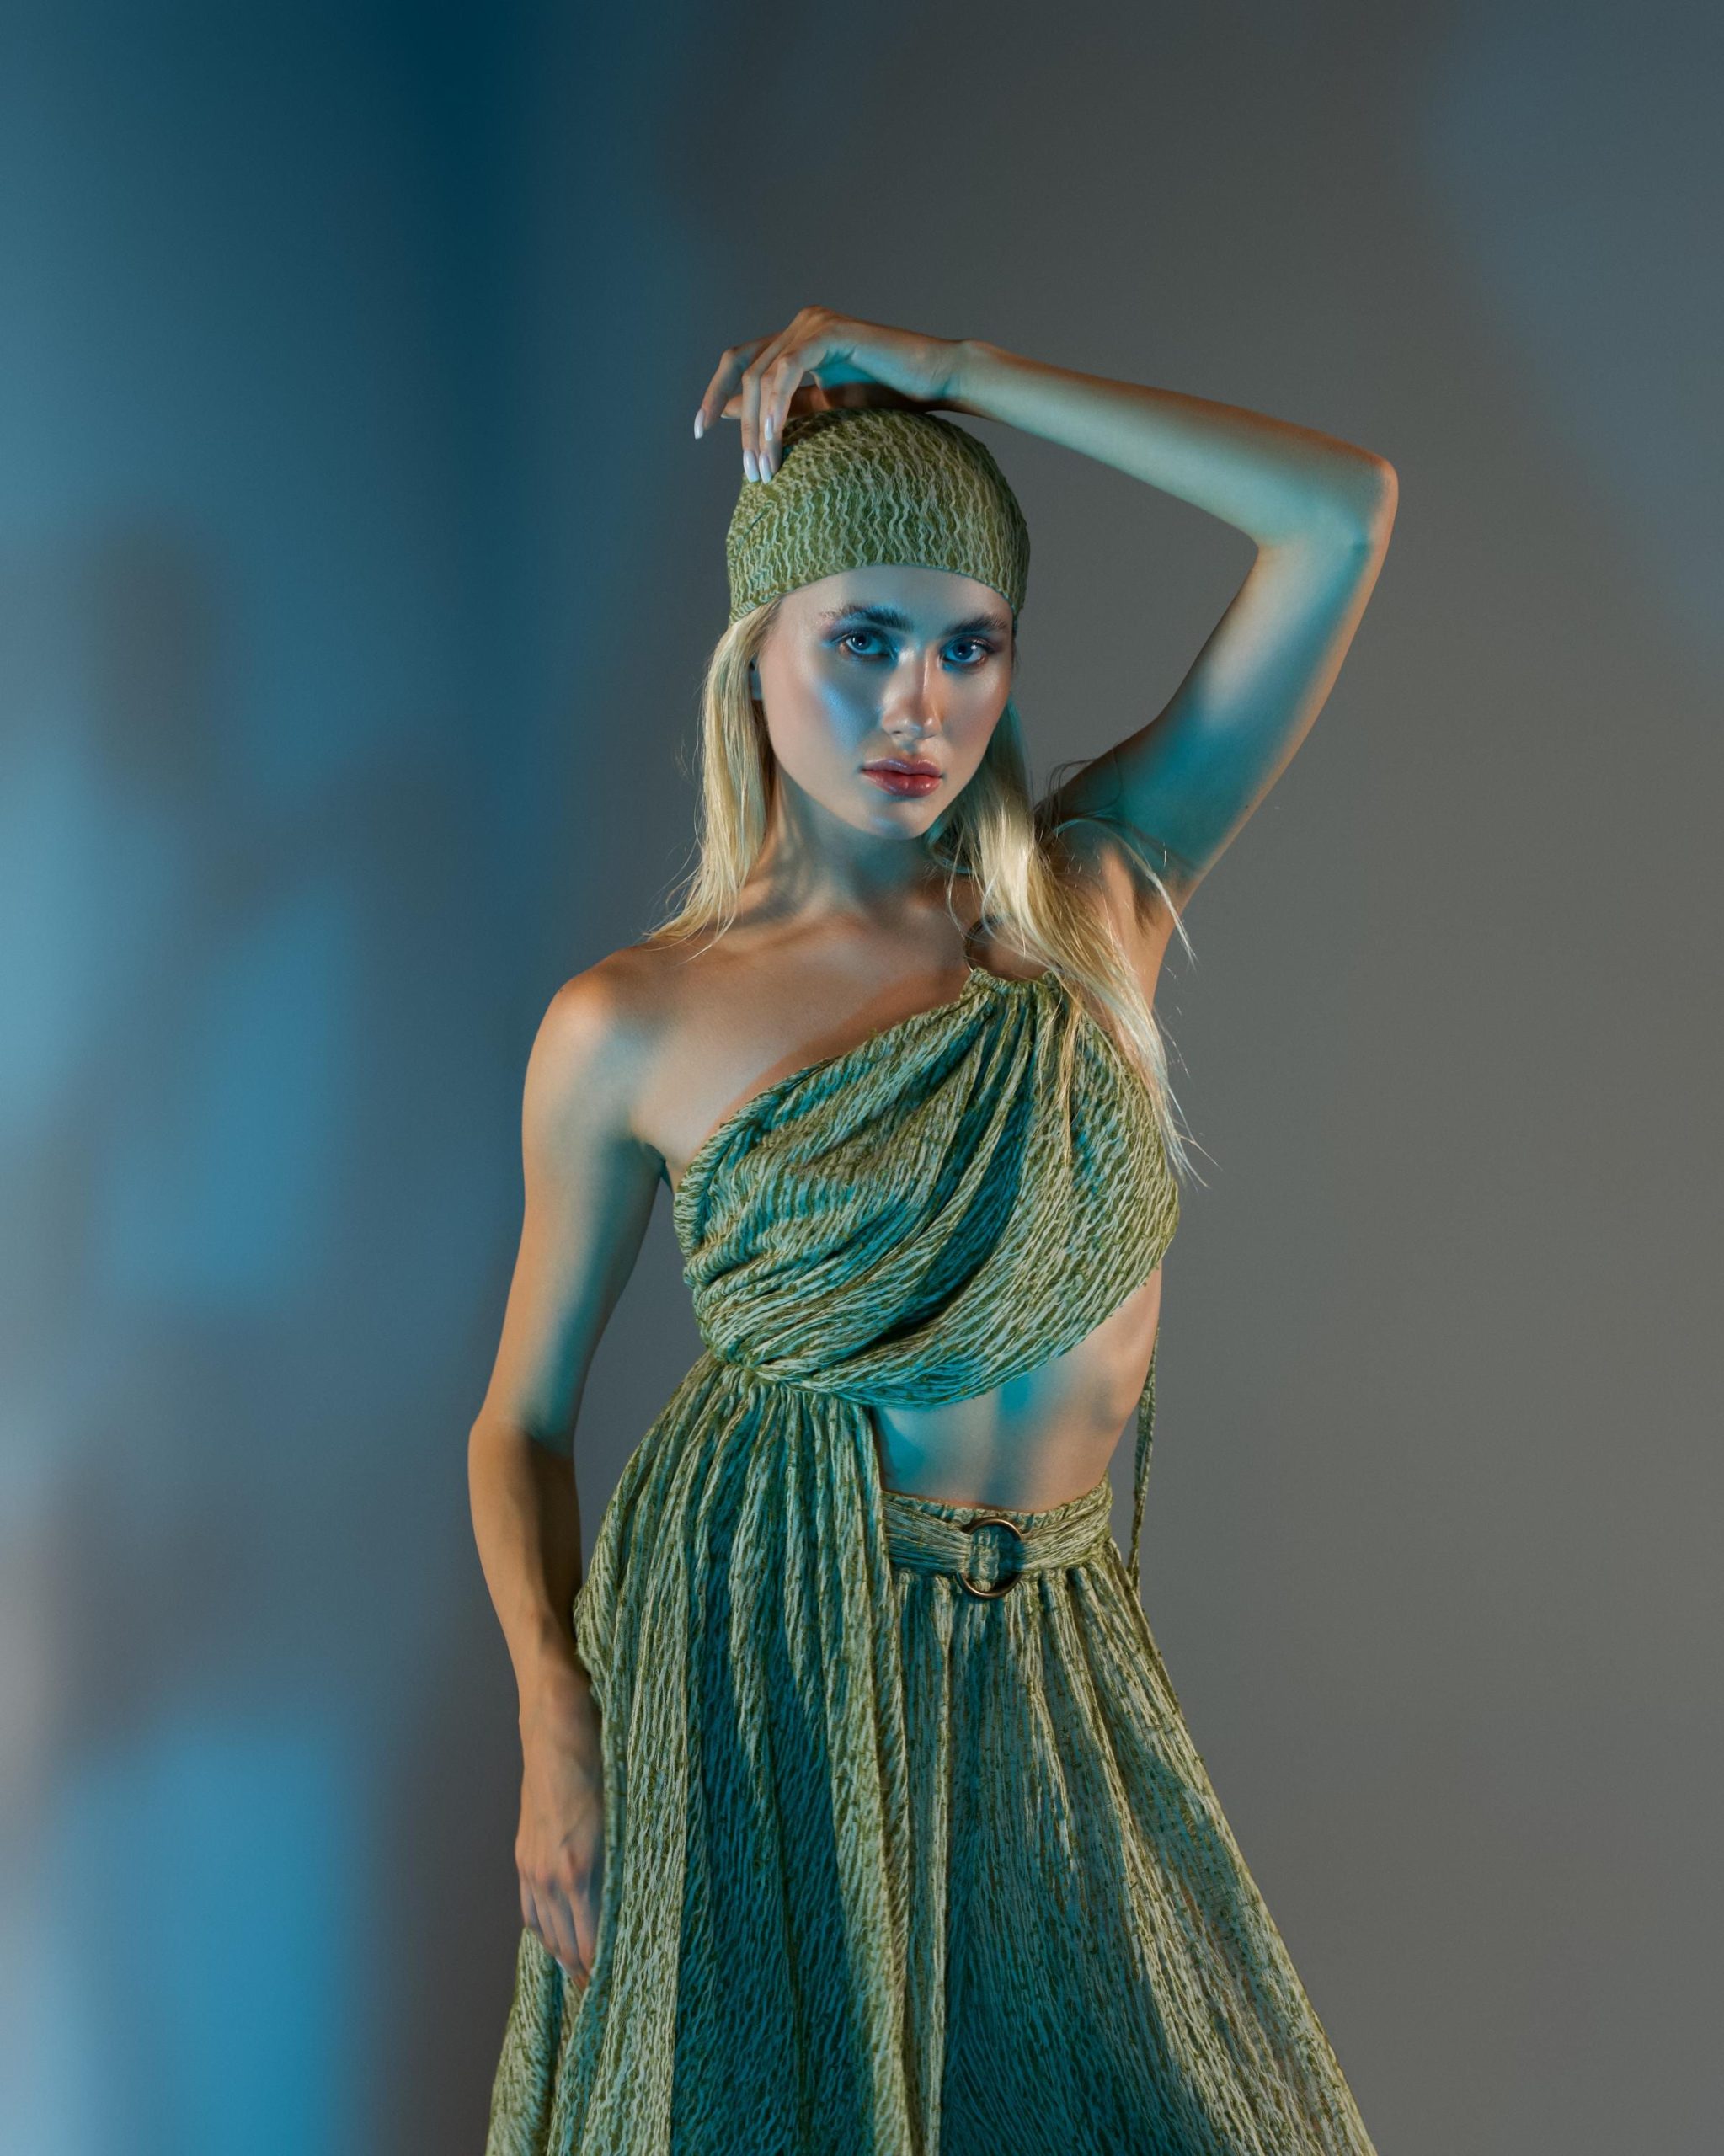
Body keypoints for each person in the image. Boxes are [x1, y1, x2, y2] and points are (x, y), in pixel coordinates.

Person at [471, 307, 1397, 2156]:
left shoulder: (1094, 902)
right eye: (864, 640)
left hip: (1047, 1640)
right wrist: (552, 1716)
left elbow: (1341, 516)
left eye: (971, 647)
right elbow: (521, 1420)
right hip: (762, 1655)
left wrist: (964, 373)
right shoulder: (629, 1022)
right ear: (756, 655)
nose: (918, 707)